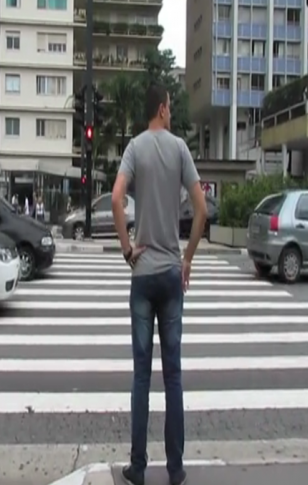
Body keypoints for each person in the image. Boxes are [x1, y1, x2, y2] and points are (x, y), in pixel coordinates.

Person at [111, 82, 207, 485]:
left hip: (143, 272)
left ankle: (137, 466)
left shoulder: (134, 148)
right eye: (170, 105)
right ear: (164, 109)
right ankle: (176, 468)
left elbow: (117, 199)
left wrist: (127, 248)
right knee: (173, 377)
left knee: (140, 377)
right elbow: (201, 210)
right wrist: (187, 259)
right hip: (170, 274)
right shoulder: (180, 149)